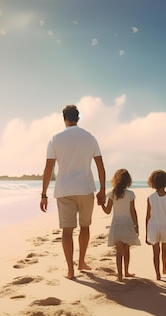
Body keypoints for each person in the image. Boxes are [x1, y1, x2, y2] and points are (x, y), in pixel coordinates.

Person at [40, 104, 106, 279]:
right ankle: (82, 262)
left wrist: (44, 194)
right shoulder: (90, 138)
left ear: (64, 118)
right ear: (78, 118)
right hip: (85, 188)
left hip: (64, 189)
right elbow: (100, 165)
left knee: (67, 230)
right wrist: (102, 190)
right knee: (85, 226)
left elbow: (48, 168)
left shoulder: (55, 138)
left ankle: (70, 270)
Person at [100, 168, 141, 282]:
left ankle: (119, 275)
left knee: (119, 252)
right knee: (127, 250)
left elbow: (107, 211)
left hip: (117, 225)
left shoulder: (112, 193)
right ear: (128, 181)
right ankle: (126, 272)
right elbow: (133, 211)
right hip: (128, 224)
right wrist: (136, 225)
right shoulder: (130, 194)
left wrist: (102, 205)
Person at [145, 169, 166, 280]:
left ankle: (157, 274)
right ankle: (164, 268)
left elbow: (148, 216)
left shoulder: (150, 198)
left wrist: (146, 234)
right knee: (165, 249)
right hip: (165, 226)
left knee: (156, 252)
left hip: (153, 226)